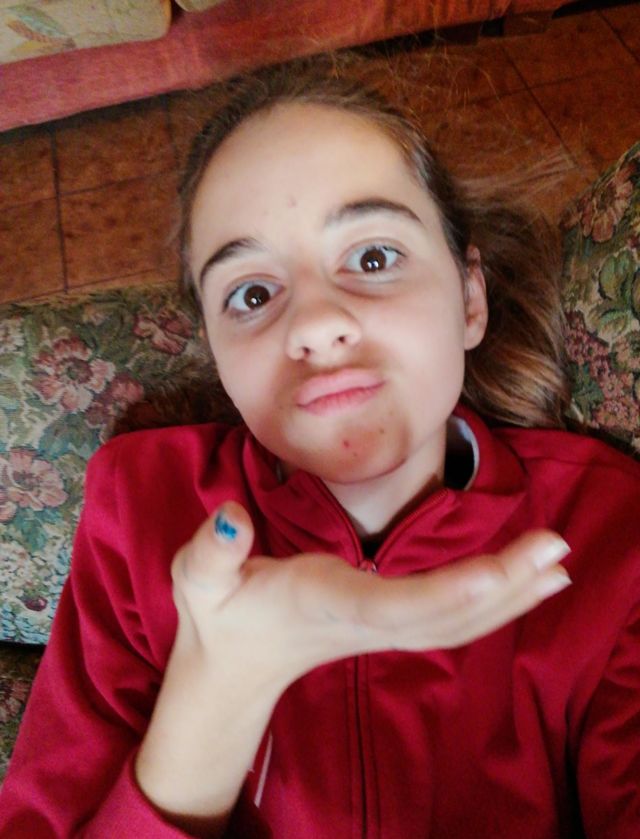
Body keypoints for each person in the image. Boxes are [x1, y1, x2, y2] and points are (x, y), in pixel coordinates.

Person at [1, 56, 639, 839]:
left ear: (469, 298)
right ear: (215, 349)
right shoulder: (137, 510)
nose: (313, 324)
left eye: (373, 258)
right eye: (252, 294)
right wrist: (218, 693)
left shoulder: (609, 528)